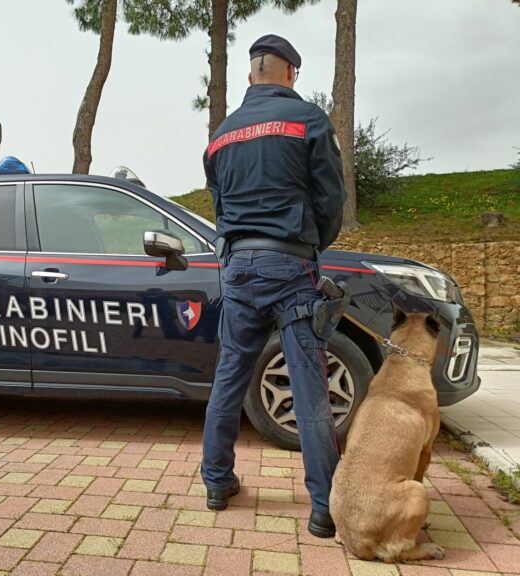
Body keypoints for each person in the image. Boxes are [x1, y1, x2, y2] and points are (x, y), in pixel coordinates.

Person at [201, 34, 347, 538]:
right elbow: (331, 199)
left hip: (238, 267)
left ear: (250, 75)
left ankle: (217, 483)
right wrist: (312, 246)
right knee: (308, 383)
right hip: (291, 265)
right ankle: (324, 507)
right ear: (290, 73)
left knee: (230, 375)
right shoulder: (308, 119)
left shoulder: (220, 134)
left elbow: (220, 207)